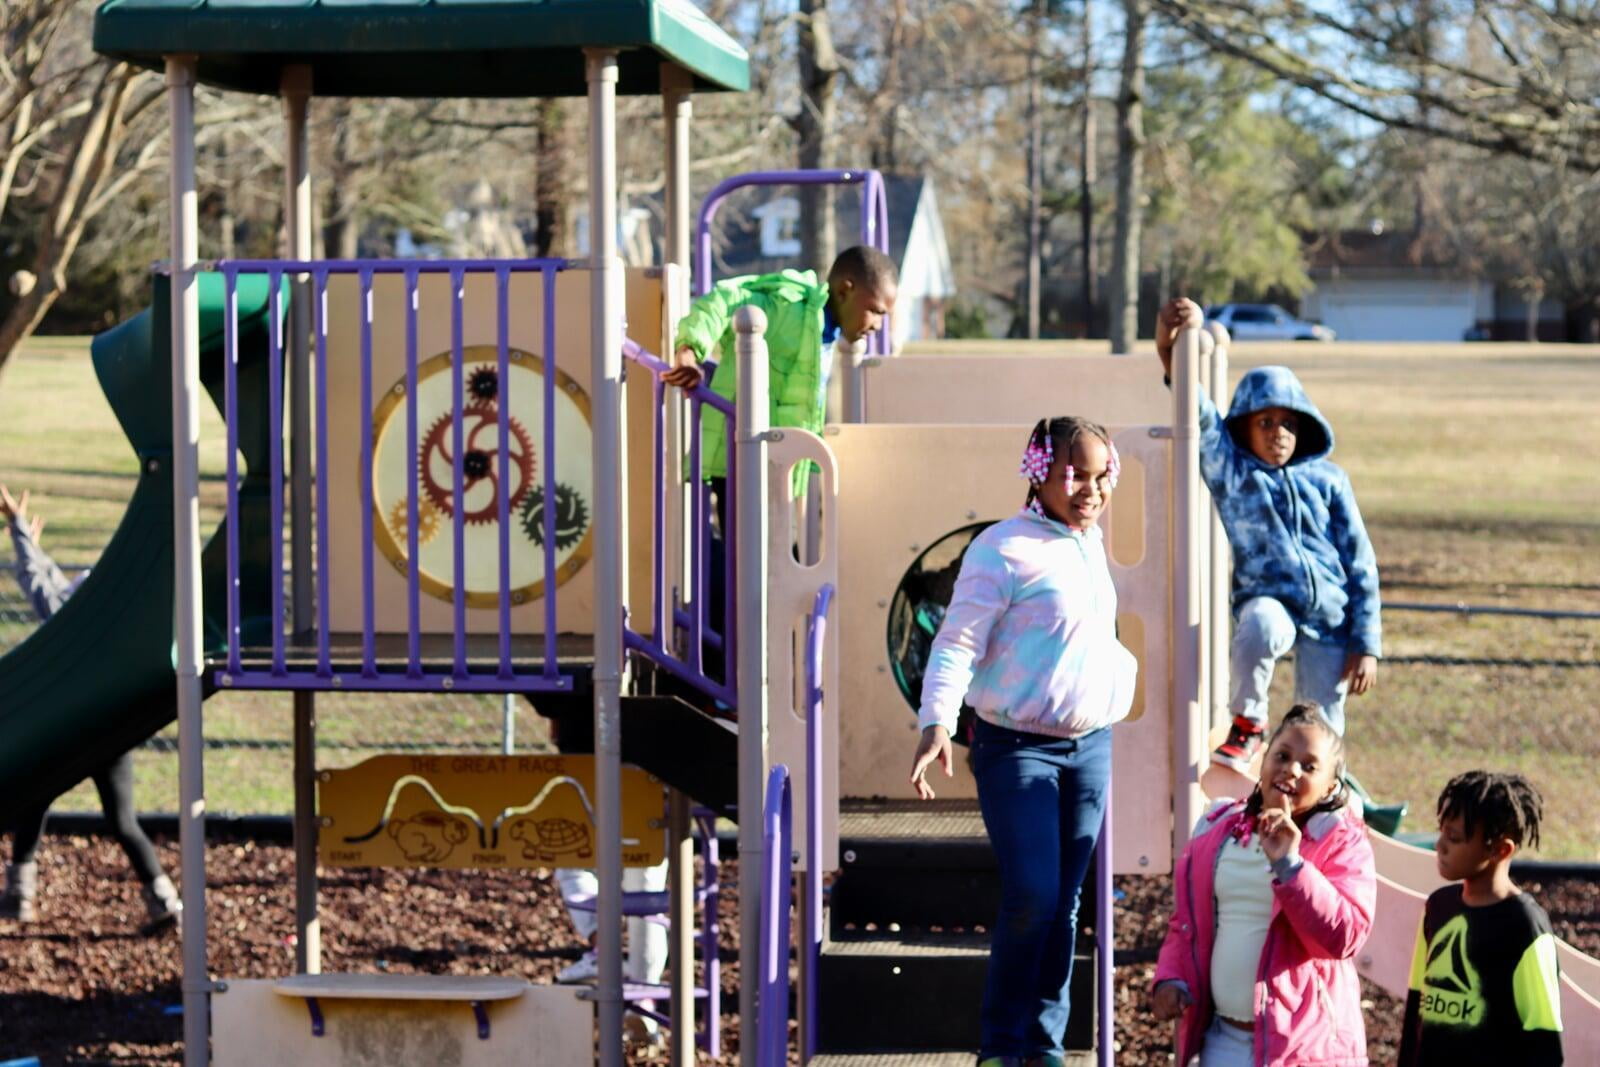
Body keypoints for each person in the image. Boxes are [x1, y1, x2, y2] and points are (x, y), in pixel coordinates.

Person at [909, 417, 1138, 1067]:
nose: (1090, 489)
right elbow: (957, 641)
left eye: (1101, 476)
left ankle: (1045, 1042)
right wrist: (937, 721)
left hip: (1090, 747)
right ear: (1038, 472)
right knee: (1033, 894)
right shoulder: (1002, 549)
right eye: (1073, 474)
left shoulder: (1088, 541)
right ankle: (1001, 1045)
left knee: (1065, 903)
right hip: (1016, 747)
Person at [1155, 298, 1381, 773]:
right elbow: (1199, 413)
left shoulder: (1328, 480)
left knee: (1322, 728)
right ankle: (1248, 725)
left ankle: (1327, 791)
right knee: (1258, 627)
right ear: (1244, 428)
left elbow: (1360, 562)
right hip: (1270, 599)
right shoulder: (1235, 474)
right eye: (1265, 422)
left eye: (1289, 424)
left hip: (1331, 617)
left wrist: (1366, 643)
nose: (1279, 433)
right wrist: (1169, 348)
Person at [664, 245, 897, 674]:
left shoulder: (826, 333)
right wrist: (689, 351)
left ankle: (761, 669)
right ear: (845, 290)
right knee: (751, 571)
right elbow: (725, 298)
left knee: (772, 569)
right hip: (743, 460)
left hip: (778, 471)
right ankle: (739, 674)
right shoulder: (790, 305)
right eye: (875, 311)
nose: (878, 325)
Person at [0, 485, 182, 933]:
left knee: (35, 798)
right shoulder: (117, 621)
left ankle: (19, 893)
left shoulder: (81, 624)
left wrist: (18, 530)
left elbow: (47, 593)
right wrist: (31, 546)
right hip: (111, 731)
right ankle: (164, 900)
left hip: (72, 728)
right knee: (121, 820)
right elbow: (54, 587)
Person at [1151, 704, 1375, 1067]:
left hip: (1303, 1049)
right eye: (1282, 756)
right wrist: (1171, 978)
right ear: (1264, 761)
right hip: (1222, 1039)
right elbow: (1186, 926)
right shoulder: (1218, 830)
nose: (1291, 769)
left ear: (1331, 786)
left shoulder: (1340, 840)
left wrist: (1291, 865)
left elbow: (1343, 937)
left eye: (1309, 766)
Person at [1398, 770, 1564, 1065]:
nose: (1439, 845)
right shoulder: (1438, 907)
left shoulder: (1524, 924)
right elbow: (1415, 1008)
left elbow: (1544, 1040)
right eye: (1441, 832)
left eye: (1454, 837)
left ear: (1500, 849)